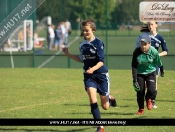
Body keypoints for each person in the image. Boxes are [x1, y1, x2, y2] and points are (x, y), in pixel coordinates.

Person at [62, 19, 116, 132]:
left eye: (87, 30)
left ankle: (110, 98)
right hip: (89, 76)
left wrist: (93, 69)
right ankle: (100, 127)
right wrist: (68, 54)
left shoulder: (98, 43)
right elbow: (81, 59)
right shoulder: (82, 45)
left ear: (93, 30)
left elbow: (101, 61)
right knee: (92, 98)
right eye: (83, 30)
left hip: (101, 75)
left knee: (105, 107)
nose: (85, 32)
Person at [135, 21, 168, 108]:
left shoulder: (160, 37)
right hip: (143, 64)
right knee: (145, 85)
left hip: (154, 63)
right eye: (149, 24)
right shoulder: (144, 37)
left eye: (152, 24)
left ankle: (152, 101)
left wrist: (156, 55)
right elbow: (137, 49)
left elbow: (166, 51)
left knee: (153, 83)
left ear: (156, 25)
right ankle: (146, 99)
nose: (150, 26)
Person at [132, 35, 164, 115]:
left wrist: (162, 68)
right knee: (140, 91)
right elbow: (134, 66)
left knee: (152, 90)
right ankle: (141, 108)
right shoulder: (137, 52)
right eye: (141, 44)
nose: (143, 46)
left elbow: (158, 61)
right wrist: (135, 79)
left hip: (151, 72)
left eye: (145, 44)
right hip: (140, 73)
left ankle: (148, 98)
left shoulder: (153, 51)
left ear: (149, 44)